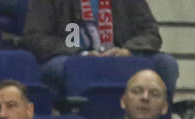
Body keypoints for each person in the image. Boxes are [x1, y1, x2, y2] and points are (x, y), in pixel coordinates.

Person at [21, 0, 179, 98]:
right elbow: (35, 37)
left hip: (121, 58)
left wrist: (128, 51)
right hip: (71, 56)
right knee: (75, 67)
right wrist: (80, 53)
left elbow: (150, 33)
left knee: (166, 63)